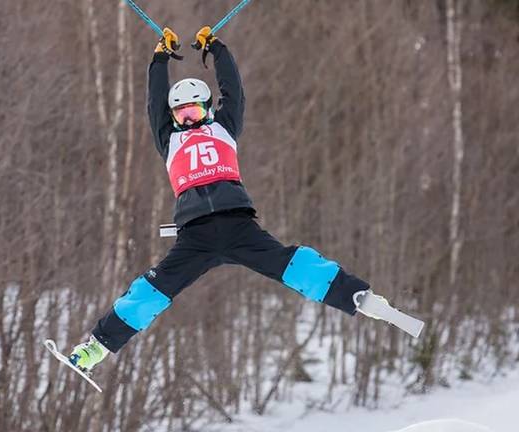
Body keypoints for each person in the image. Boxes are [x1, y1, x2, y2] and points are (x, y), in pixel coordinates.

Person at [67, 26, 384, 371]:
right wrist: (159, 59)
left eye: (194, 111)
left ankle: (352, 294)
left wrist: (216, 49)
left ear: (208, 109)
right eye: (180, 114)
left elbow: (234, 90)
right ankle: (95, 348)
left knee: (291, 263)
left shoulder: (223, 127)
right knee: (150, 291)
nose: (187, 119)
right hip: (195, 236)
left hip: (238, 225)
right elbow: (153, 101)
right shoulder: (168, 140)